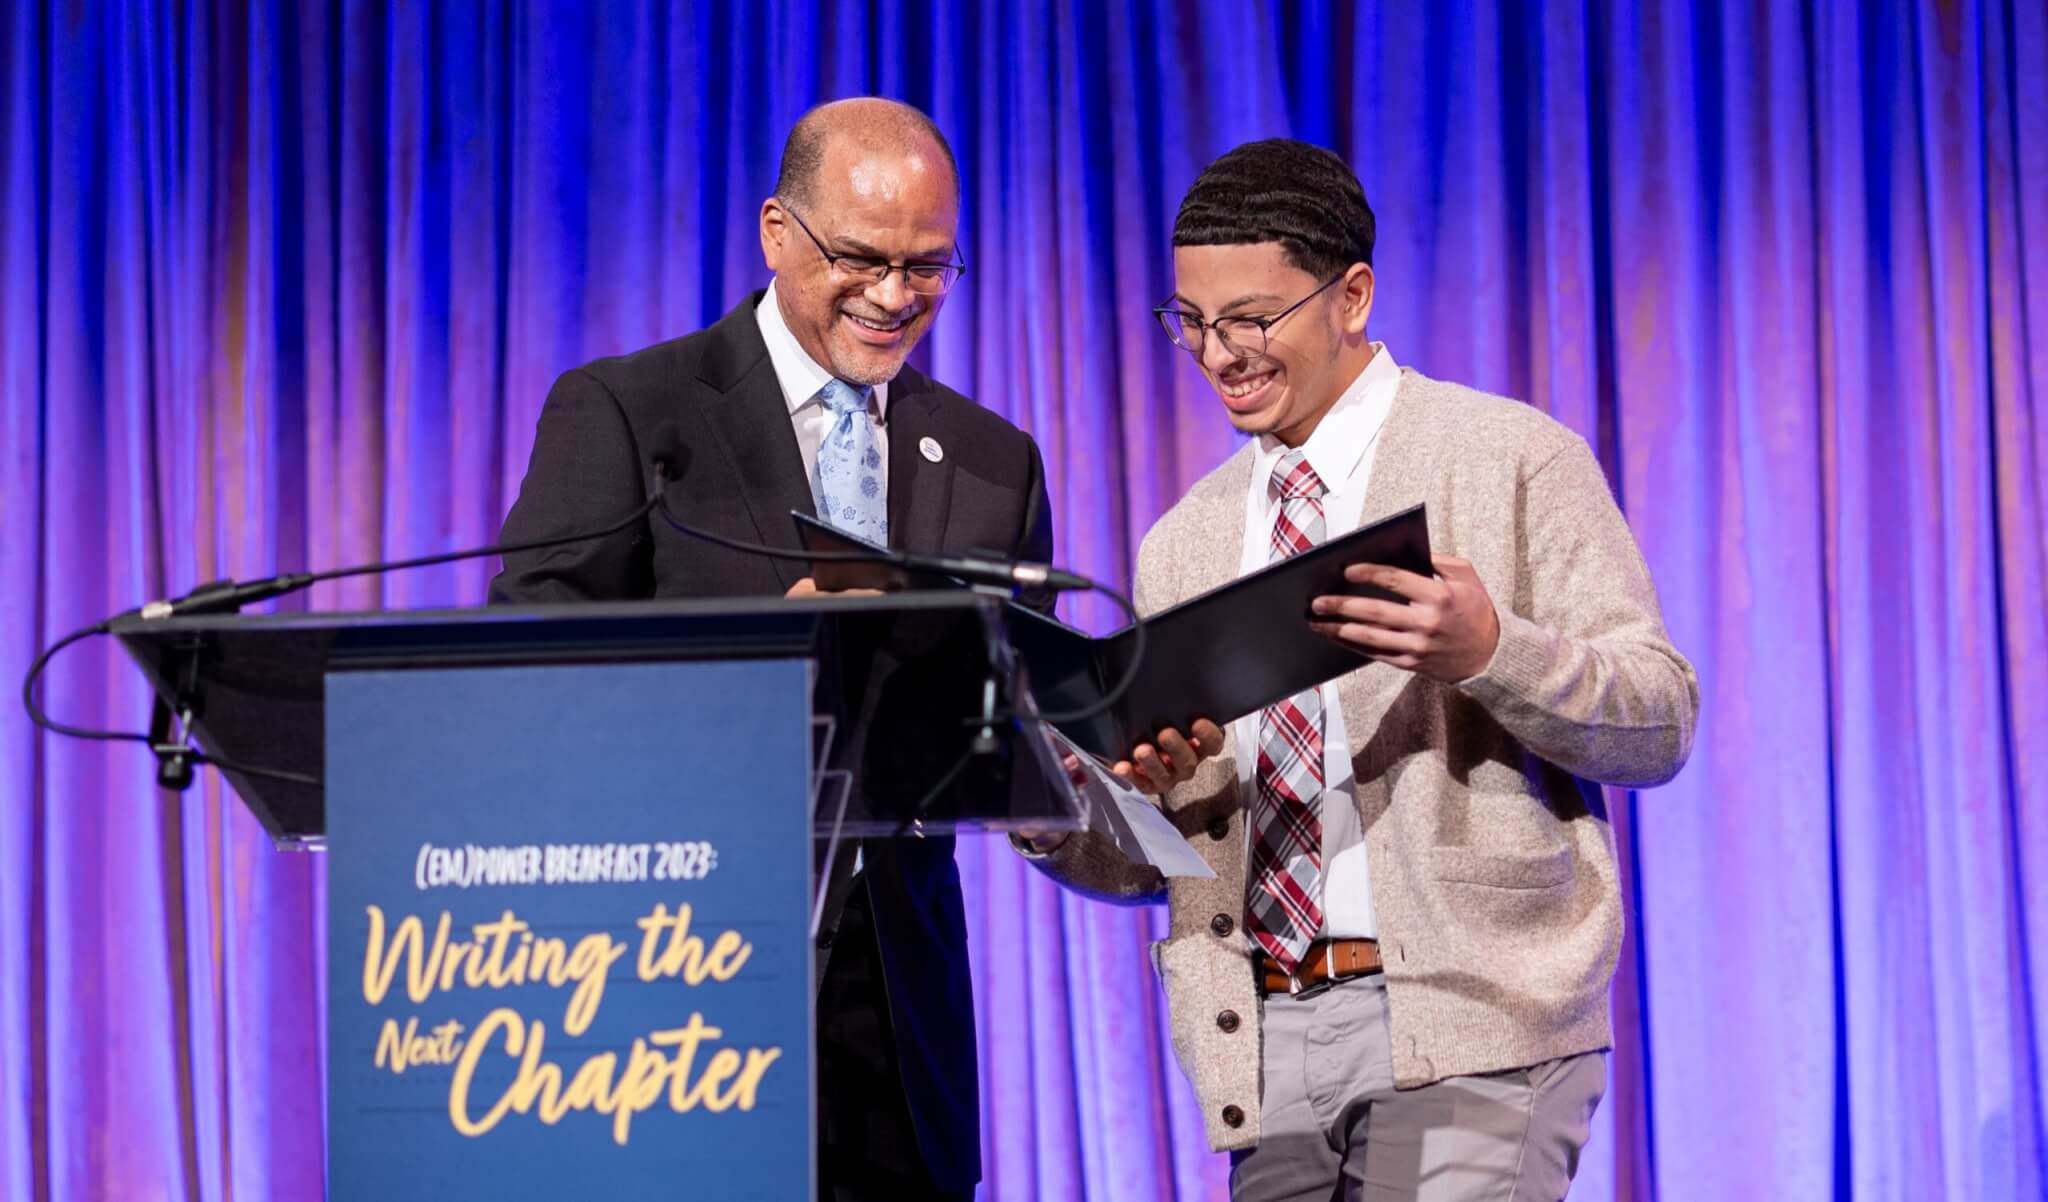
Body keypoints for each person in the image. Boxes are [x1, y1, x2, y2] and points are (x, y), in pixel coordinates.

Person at [1017, 138, 1699, 1201]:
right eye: (1190, 321)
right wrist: (1063, 798)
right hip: (1262, 1039)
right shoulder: (1185, 541)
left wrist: (1490, 650)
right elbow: (1161, 862)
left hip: (1476, 1019)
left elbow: (1656, 719)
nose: (1217, 352)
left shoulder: (1509, 457)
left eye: (1250, 317)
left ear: (1351, 295)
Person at [490, 97, 1053, 1202]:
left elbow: (1014, 708)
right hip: (664, 988)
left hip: (895, 1013)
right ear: (775, 232)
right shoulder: (629, 409)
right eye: (862, 258)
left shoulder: (995, 460)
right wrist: (748, 659)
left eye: (930, 267)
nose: (895, 297)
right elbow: (527, 666)